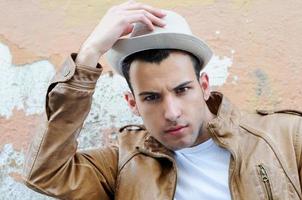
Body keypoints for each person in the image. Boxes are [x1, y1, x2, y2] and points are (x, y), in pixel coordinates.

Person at [23, 1, 302, 200]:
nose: (171, 112)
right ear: (132, 103)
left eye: (182, 90)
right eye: (152, 97)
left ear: (203, 86)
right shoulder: (122, 163)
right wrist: (89, 53)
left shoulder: (286, 137)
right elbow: (45, 173)